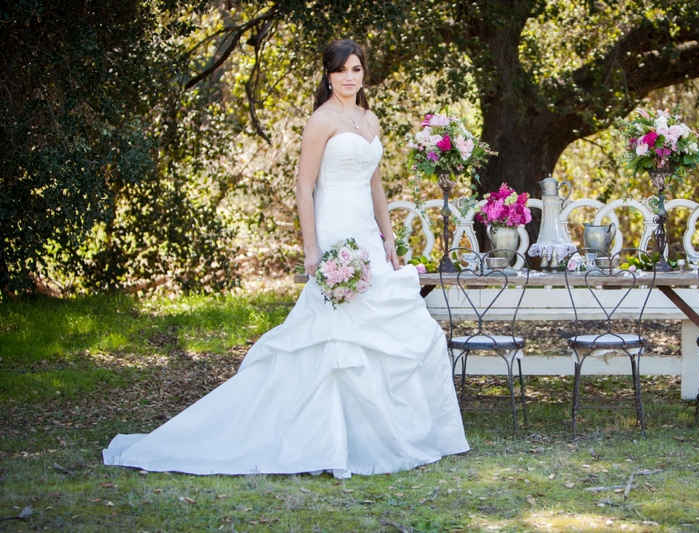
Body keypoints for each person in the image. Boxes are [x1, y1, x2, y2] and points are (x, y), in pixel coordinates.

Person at [103, 39, 470, 479]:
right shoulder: (321, 121)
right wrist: (312, 247)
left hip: (368, 236)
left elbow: (375, 184)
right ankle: (329, 441)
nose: (350, 77)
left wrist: (388, 237)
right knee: (337, 335)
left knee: (404, 330)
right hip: (336, 230)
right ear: (329, 76)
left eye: (356, 69)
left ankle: (382, 437)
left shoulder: (369, 119)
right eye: (341, 71)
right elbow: (304, 186)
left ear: (362, 73)